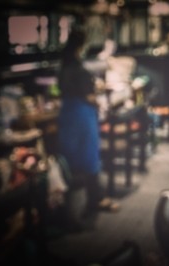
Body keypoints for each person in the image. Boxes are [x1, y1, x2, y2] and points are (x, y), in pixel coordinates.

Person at [57, 28, 119, 221]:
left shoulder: (63, 67)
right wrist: (99, 100)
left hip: (66, 114)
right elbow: (89, 96)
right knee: (90, 158)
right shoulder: (80, 70)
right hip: (82, 116)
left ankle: (66, 205)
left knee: (69, 158)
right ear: (81, 46)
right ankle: (95, 200)